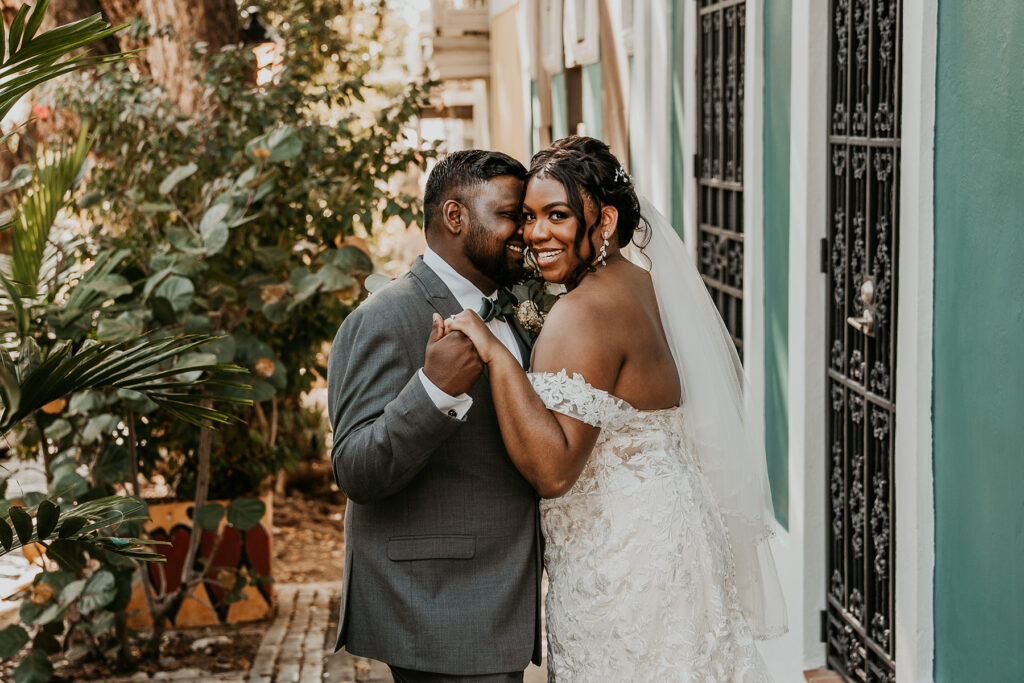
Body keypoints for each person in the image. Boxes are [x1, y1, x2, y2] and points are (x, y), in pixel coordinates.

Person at [445, 136, 787, 681]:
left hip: (621, 563)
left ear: (603, 222)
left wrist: (494, 355)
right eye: (529, 217)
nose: (535, 235)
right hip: (678, 534)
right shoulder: (648, 288)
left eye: (556, 215)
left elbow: (554, 471)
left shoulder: (582, 314)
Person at [327, 150, 543, 682]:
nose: (526, 231)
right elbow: (354, 469)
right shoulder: (383, 319)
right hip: (442, 600)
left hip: (506, 588)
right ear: (455, 217)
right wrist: (433, 390)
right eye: (512, 215)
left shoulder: (519, 302)